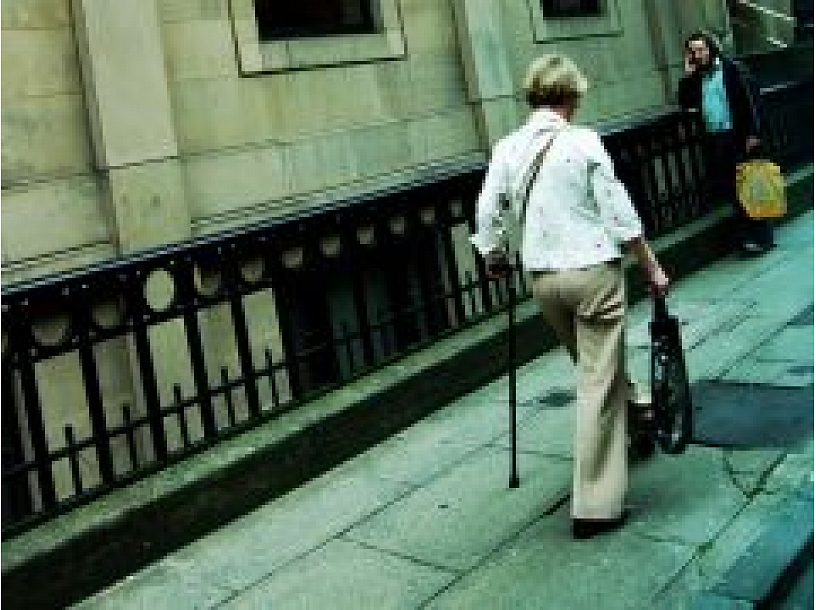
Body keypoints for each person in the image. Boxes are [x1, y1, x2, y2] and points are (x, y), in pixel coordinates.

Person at [471, 54, 670, 539]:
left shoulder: (507, 148)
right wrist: (651, 266)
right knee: (597, 381)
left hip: (545, 280)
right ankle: (595, 505)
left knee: (595, 365)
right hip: (592, 271)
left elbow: (487, 211)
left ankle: (641, 416)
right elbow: (619, 211)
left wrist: (493, 255)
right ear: (571, 96)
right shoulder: (583, 142)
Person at [678, 30, 774, 254]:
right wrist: (687, 76)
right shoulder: (697, 77)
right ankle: (746, 238)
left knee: (752, 186)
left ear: (711, 48)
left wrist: (754, 134)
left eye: (701, 49)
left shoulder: (733, 69)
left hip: (739, 136)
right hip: (716, 139)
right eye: (693, 51)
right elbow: (685, 103)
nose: (698, 55)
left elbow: (752, 101)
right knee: (732, 191)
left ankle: (762, 238)